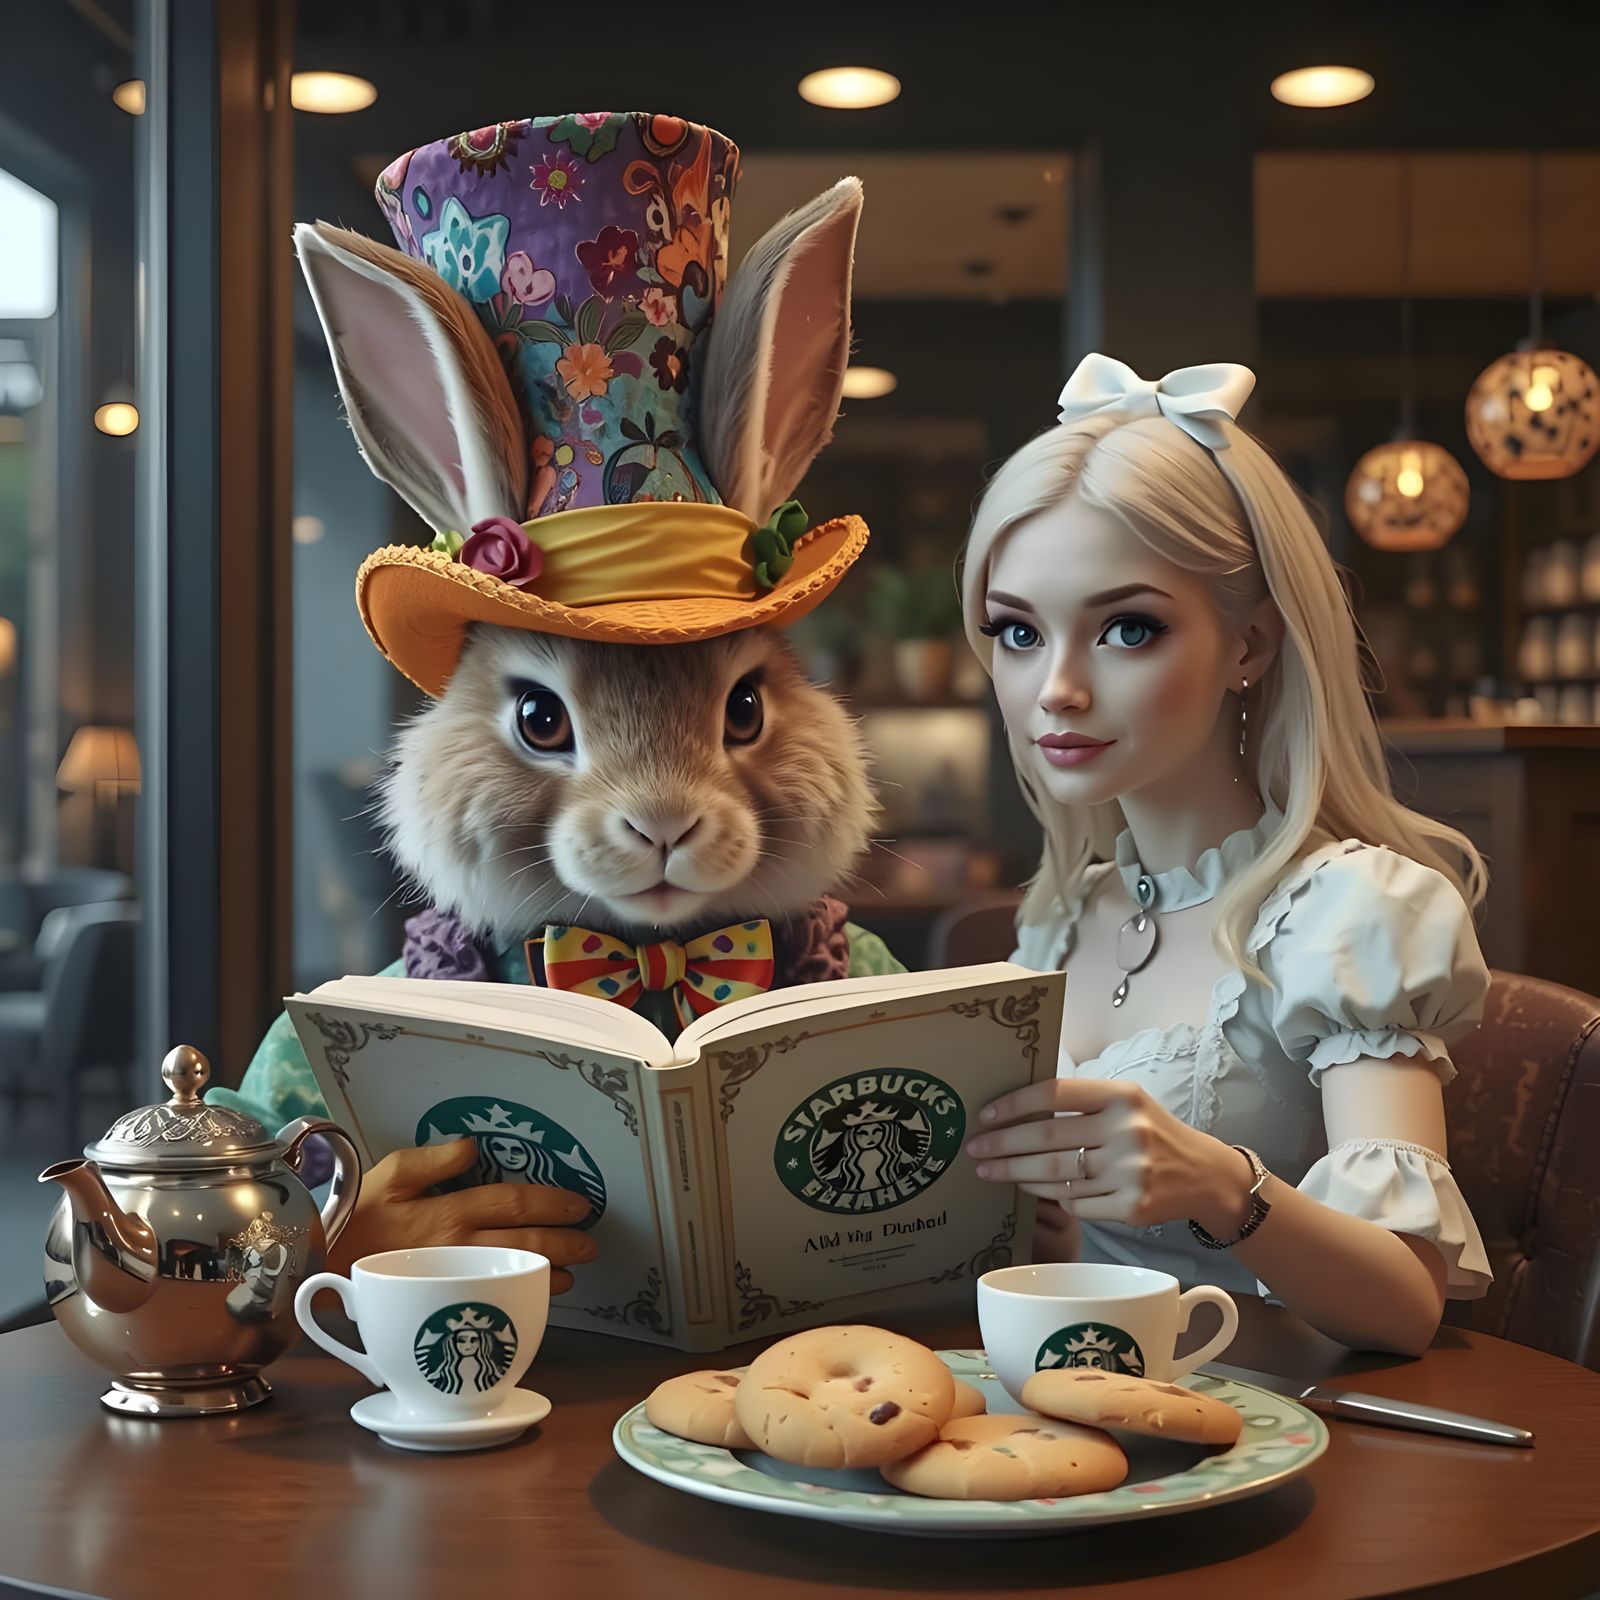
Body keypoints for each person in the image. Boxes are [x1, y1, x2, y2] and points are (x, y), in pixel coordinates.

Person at [959, 354, 1493, 1356]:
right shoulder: (1060, 918)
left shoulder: (1356, 916)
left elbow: (1407, 1304)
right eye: (1017, 632)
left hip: (1294, 1449)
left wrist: (1219, 1184)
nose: (1055, 689)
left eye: (1126, 628)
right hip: (1070, 1417)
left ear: (1248, 646)